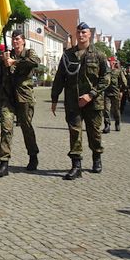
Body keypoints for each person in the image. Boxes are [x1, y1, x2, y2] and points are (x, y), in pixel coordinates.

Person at [51, 22, 110, 180]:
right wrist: (54, 98)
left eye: (84, 32)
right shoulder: (68, 55)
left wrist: (91, 94)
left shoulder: (99, 55)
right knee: (74, 132)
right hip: (73, 101)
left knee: (94, 133)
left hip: (93, 102)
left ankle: (97, 157)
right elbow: (59, 78)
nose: (81, 35)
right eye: (78, 32)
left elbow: (106, 78)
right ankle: (76, 165)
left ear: (89, 34)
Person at [0, 30, 40, 177]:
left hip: (23, 97)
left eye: (18, 39)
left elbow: (35, 62)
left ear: (23, 41)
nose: (15, 42)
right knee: (6, 129)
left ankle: (33, 156)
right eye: (14, 39)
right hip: (7, 97)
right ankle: (4, 163)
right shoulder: (7, 54)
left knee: (26, 127)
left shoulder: (29, 53)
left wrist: (14, 62)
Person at [103, 57, 126, 132]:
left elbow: (124, 82)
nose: (109, 62)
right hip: (107, 94)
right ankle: (107, 125)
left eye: (111, 61)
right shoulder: (106, 71)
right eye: (109, 61)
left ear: (114, 62)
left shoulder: (118, 71)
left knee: (116, 110)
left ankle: (117, 123)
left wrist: (122, 91)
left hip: (116, 93)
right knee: (106, 110)